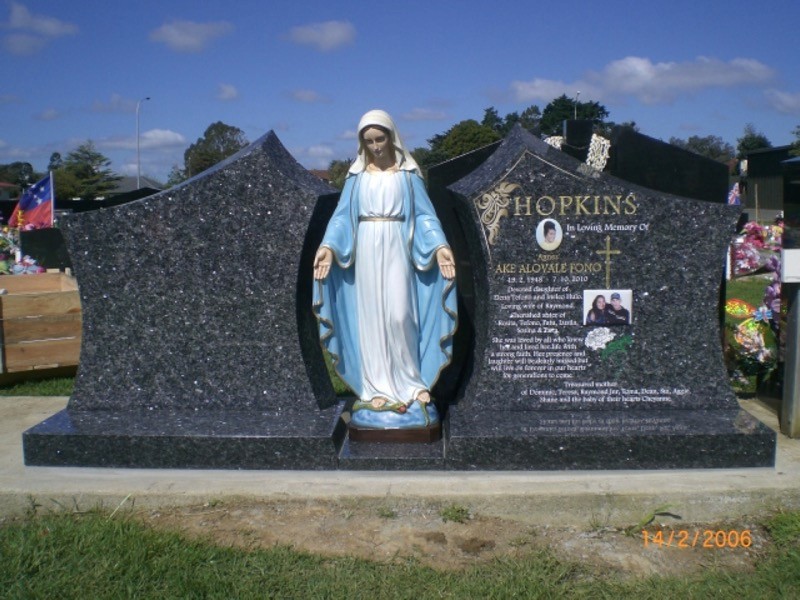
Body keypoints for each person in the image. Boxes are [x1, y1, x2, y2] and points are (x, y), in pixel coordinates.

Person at [312, 110, 457, 430]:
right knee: (372, 319)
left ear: (392, 138)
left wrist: (439, 246)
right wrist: (328, 247)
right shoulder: (357, 178)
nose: (376, 146)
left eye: (380, 139)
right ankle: (375, 387)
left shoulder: (408, 176)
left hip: (397, 248)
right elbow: (341, 218)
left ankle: (411, 382)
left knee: (400, 315)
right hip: (366, 249)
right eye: (369, 141)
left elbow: (425, 216)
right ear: (362, 144)